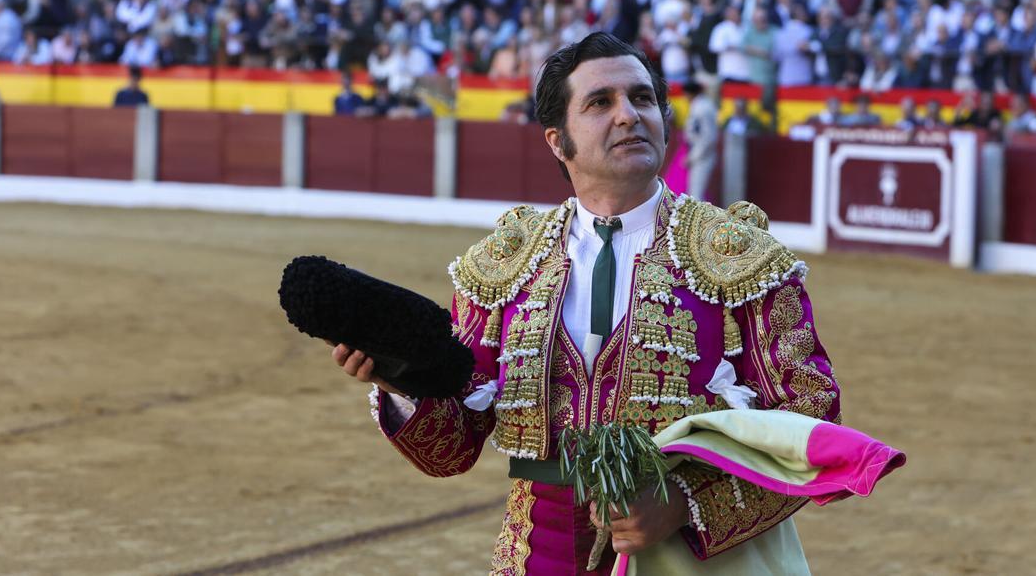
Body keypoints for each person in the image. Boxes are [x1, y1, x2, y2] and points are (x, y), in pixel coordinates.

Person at [331, 33, 840, 573]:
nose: (628, 116)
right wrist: (398, 384)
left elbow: (812, 421)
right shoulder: (506, 262)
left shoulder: (740, 255)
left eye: (642, 99)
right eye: (600, 103)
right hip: (539, 550)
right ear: (557, 140)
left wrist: (687, 506)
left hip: (689, 558)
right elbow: (452, 448)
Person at [683, 79, 718, 202]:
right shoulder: (701, 105)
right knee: (695, 192)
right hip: (699, 152)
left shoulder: (703, 108)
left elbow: (708, 138)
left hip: (703, 155)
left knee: (696, 193)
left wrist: (693, 157)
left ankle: (702, 220)